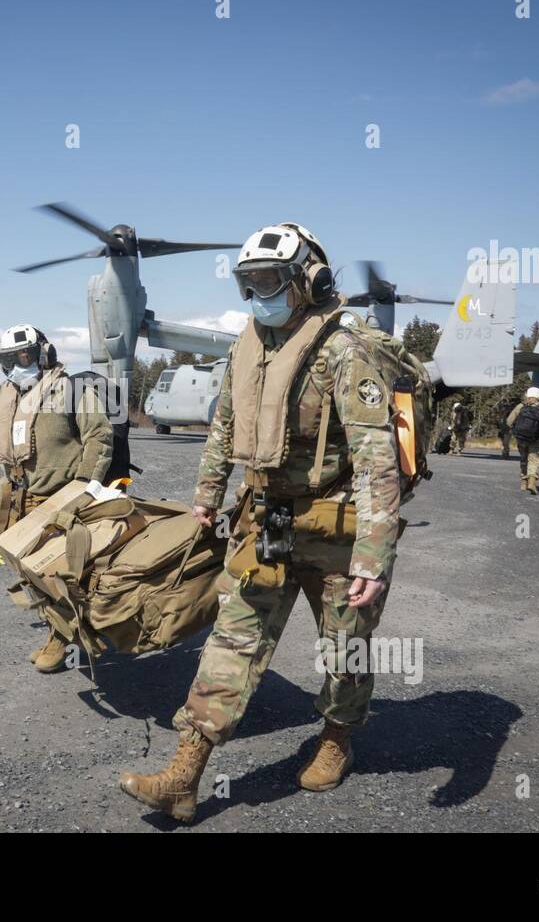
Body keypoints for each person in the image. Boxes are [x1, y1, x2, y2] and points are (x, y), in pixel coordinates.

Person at [117, 222, 404, 822]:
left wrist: (374, 558)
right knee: (231, 639)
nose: (258, 295)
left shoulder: (348, 350)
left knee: (345, 649)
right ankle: (184, 774)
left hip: (336, 531)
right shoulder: (251, 344)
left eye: (270, 281)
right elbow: (225, 422)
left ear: (309, 280)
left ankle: (337, 740)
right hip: (266, 524)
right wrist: (206, 493)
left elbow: (378, 458)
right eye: (248, 284)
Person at [0, 323, 114, 671]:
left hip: (61, 501)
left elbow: (99, 436)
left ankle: (64, 640)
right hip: (18, 501)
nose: (16, 365)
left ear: (43, 354)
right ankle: (62, 631)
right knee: (30, 573)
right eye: (8, 360)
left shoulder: (71, 391)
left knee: (57, 576)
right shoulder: (4, 398)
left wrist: (86, 487)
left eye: (24, 356)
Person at [506, 387, 539, 494]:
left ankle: (524, 481)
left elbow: (509, 421)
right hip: (538, 439)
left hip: (522, 439)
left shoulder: (520, 406)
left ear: (527, 396)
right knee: (535, 459)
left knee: (524, 458)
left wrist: (516, 431)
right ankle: (532, 482)